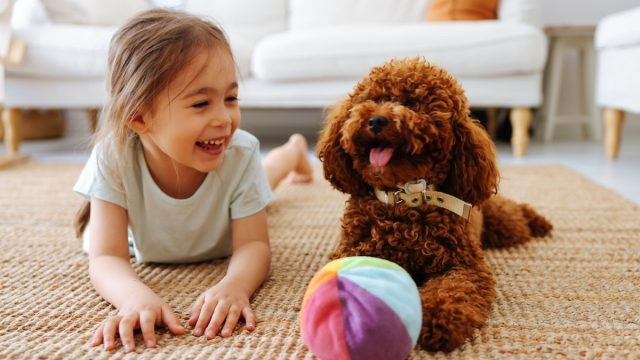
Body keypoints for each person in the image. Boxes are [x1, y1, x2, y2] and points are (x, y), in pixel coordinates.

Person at [72, 8, 312, 352]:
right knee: (263, 179)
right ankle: (292, 152)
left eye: (230, 98)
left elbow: (254, 245)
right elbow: (105, 257)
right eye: (201, 103)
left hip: (232, 202)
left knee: (267, 177)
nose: (225, 119)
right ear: (139, 116)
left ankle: (293, 150)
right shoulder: (113, 158)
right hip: (150, 236)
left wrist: (236, 286)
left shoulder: (240, 153)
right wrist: (135, 297)